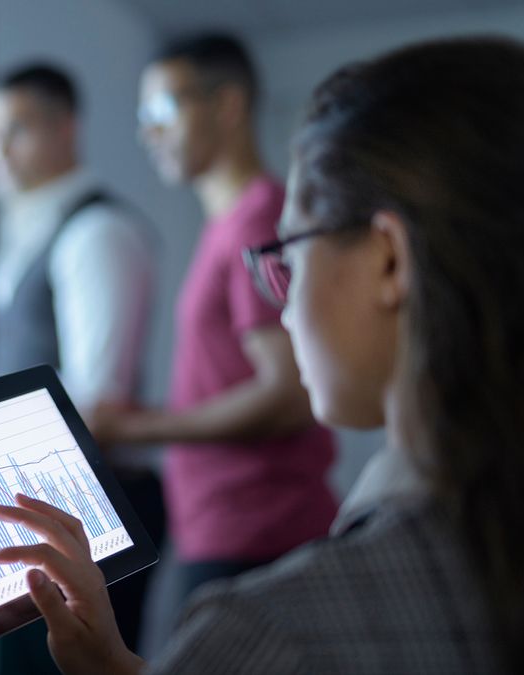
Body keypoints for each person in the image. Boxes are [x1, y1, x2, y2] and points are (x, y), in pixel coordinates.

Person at [0, 36, 524, 673]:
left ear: (388, 260)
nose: (284, 303)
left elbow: (281, 395)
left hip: (245, 521)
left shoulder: (268, 629)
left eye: (288, 255)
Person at [90, 33, 337, 638]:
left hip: (254, 532)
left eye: (164, 112)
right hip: (222, 526)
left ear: (226, 105)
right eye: (143, 118)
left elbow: (289, 395)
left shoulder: (257, 222)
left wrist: (131, 426)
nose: (150, 134)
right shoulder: (233, 223)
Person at [0, 63, 162, 673]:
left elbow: (96, 404)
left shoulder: (97, 231)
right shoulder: (30, 231)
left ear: (66, 130)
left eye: (16, 129)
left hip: (87, 516)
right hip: (41, 515)